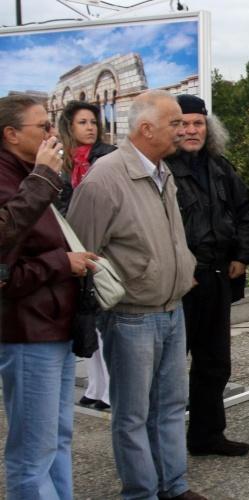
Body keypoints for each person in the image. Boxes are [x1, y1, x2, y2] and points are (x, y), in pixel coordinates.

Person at [67, 90, 205, 500]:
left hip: (171, 309)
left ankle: (173, 488)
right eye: (175, 124)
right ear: (146, 129)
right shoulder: (105, 179)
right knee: (131, 415)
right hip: (131, 317)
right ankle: (141, 493)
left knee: (169, 408)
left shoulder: (164, 172)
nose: (183, 131)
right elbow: (81, 248)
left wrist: (184, 269)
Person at [0, 94, 97, 499]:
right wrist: (63, 264)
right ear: (10, 134)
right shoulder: (16, 179)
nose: (50, 133)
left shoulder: (28, 173)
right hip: (26, 330)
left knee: (57, 437)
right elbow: (7, 269)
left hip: (52, 324)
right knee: (32, 451)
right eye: (42, 126)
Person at [166, 94, 249, 457]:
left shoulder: (220, 167)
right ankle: (166, 447)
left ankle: (207, 436)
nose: (191, 130)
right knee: (171, 372)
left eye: (198, 123)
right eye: (184, 124)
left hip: (217, 278)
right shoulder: (163, 169)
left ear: (208, 127)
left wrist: (242, 254)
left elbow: (248, 210)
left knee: (215, 363)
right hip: (180, 285)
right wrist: (179, 268)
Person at [56, 99, 118, 411]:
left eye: (93, 122)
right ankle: (95, 387)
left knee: (102, 318)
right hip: (71, 250)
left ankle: (109, 391)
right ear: (69, 126)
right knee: (87, 322)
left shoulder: (106, 157)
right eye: (82, 122)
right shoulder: (62, 161)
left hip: (100, 248)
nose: (90, 128)